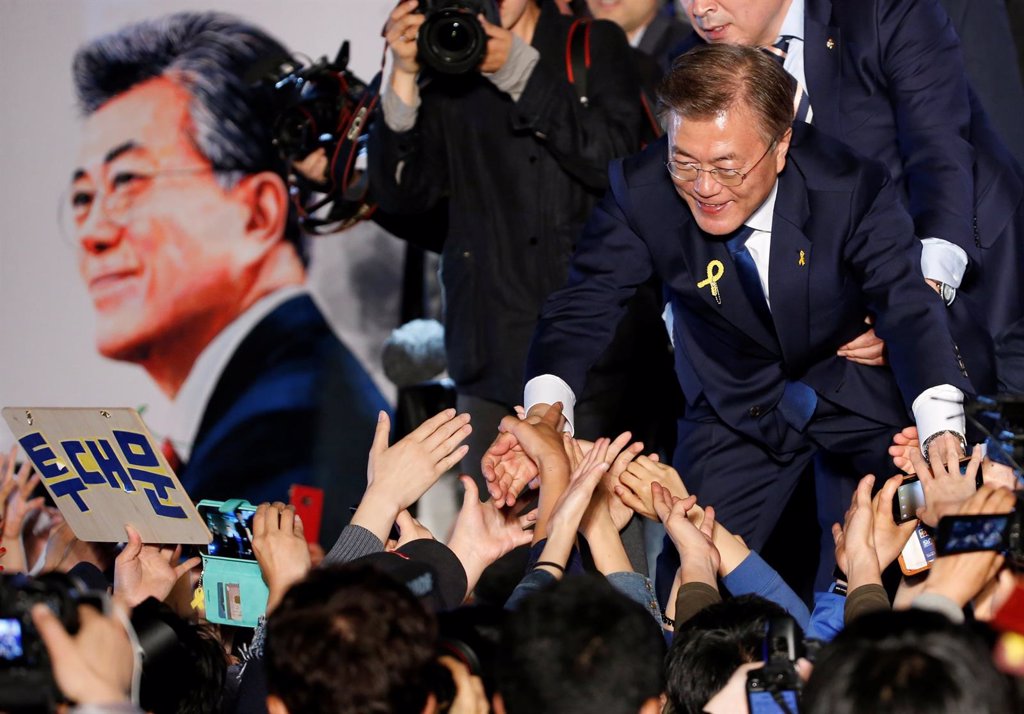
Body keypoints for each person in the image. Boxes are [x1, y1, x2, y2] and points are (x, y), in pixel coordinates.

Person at [510, 44, 972, 588]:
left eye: (727, 167)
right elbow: (583, 304)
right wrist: (545, 411)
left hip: (853, 386)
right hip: (733, 404)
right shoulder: (642, 190)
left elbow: (906, 304)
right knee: (691, 582)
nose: (705, 188)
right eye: (685, 162)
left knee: (920, 550)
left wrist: (943, 433)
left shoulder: (848, 185)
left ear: (780, 147)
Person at [68, 12, 388, 520]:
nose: (93, 233)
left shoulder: (281, 428)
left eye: (127, 182)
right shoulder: (259, 403)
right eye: (82, 196)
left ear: (259, 211)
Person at [369, 0, 676, 497]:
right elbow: (403, 198)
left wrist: (515, 66)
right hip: (488, 348)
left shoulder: (591, 44)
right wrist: (403, 76)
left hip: (593, 351)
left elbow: (616, 162)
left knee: (599, 537)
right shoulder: (449, 55)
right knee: (499, 542)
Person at [673, 0, 1024, 383]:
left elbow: (938, 155)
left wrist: (911, 304)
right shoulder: (689, 64)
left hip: (966, 262)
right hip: (846, 304)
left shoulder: (880, 11)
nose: (700, 8)